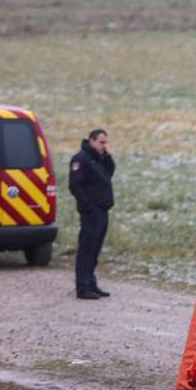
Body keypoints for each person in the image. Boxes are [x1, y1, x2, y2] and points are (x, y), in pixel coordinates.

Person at [68, 128, 115, 300]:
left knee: (95, 249)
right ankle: (82, 287)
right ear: (92, 141)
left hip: (102, 209)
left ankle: (91, 283)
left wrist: (107, 157)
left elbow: (108, 174)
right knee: (87, 249)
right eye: (101, 143)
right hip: (91, 211)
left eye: (106, 143)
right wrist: (86, 206)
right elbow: (75, 185)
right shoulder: (81, 159)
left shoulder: (98, 159)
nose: (104, 146)